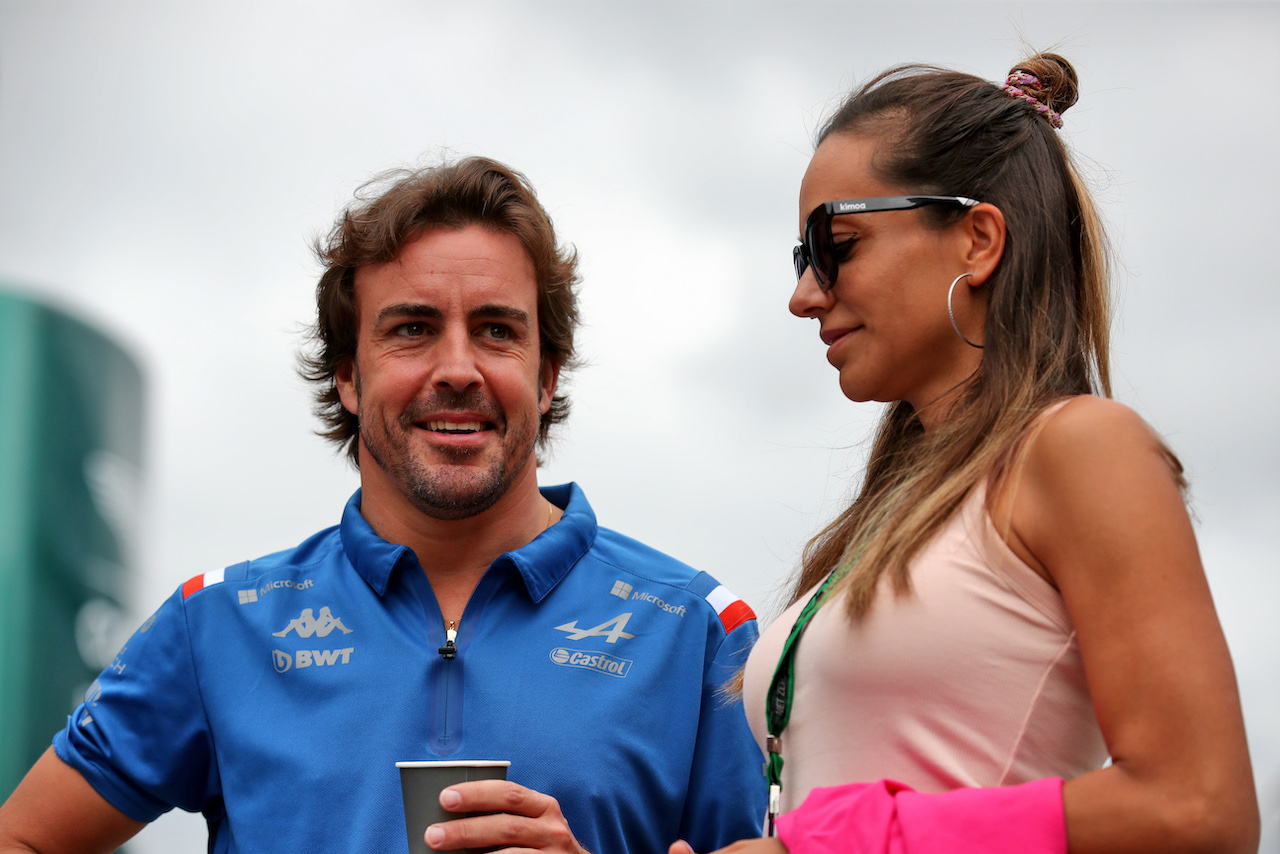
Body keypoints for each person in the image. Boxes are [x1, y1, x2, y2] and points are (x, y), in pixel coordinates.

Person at [0, 156, 765, 854]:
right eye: (412, 330)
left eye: (497, 330)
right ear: (348, 377)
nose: (458, 368)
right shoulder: (218, 624)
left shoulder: (702, 635)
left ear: (547, 377)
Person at [673, 54, 1259, 854]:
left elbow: (1201, 810)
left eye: (835, 242)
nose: (804, 293)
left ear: (979, 241)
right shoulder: (898, 508)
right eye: (799, 257)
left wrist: (835, 843)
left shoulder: (1082, 448)